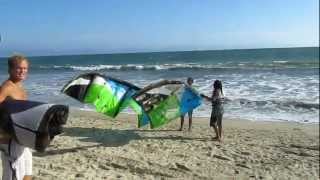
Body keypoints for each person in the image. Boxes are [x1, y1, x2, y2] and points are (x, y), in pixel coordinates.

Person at [0, 55, 32, 180]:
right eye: (19, 68)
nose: (23, 71)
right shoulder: (7, 87)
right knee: (13, 176)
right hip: (9, 138)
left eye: (25, 68)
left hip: (21, 137)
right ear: (10, 69)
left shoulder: (21, 87)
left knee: (27, 173)